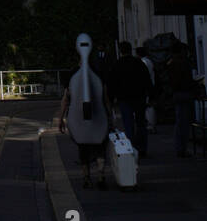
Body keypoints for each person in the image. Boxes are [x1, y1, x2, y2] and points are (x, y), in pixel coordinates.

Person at [59, 34, 112, 188]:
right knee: (100, 148)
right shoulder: (98, 73)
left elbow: (66, 99)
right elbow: (106, 99)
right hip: (99, 118)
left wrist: (61, 119)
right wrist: (110, 118)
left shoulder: (72, 74)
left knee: (83, 149)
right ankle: (101, 176)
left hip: (78, 121)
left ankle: (86, 178)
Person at [108, 40, 152, 157]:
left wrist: (111, 99)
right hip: (139, 97)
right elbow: (147, 80)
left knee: (128, 124)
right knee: (141, 122)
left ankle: (131, 148)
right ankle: (142, 148)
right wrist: (150, 95)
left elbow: (112, 83)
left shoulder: (117, 65)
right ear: (130, 49)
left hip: (124, 98)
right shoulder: (138, 63)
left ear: (120, 51)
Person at [165, 41, 196, 157]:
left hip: (177, 93)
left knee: (180, 121)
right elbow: (188, 79)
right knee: (184, 121)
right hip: (185, 92)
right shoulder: (184, 63)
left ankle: (180, 147)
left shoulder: (171, 63)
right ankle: (182, 147)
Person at [136, 46, 157, 133]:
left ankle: (150, 125)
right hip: (150, 85)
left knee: (148, 107)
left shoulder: (143, 62)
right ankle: (151, 125)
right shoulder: (149, 61)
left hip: (146, 87)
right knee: (149, 106)